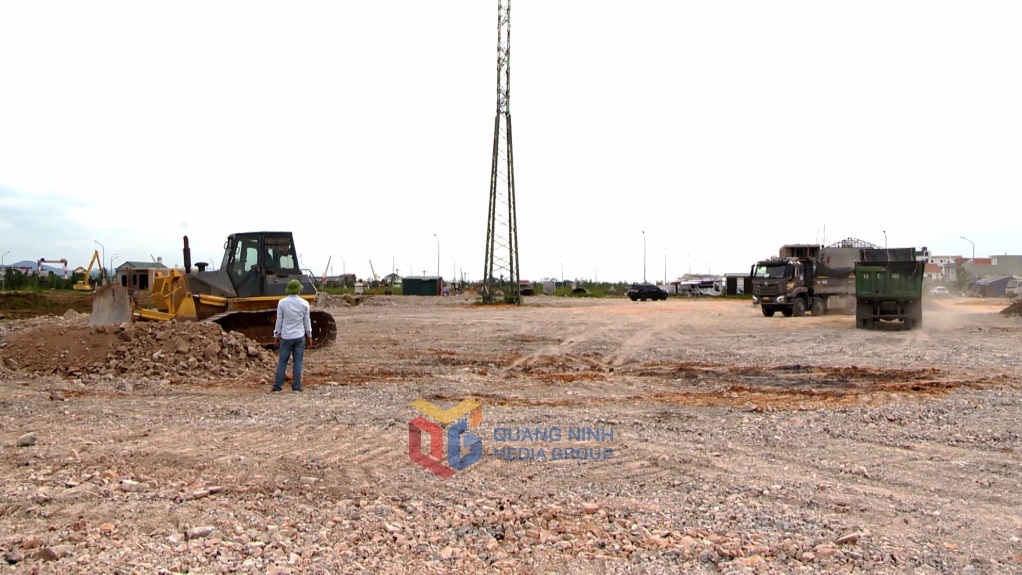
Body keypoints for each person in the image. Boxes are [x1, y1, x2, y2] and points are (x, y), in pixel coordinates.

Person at [272, 279, 312, 392]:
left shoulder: (282, 303)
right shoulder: (304, 303)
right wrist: (309, 335)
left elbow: (279, 320)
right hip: (299, 336)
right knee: (298, 362)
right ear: (299, 290)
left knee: (282, 361)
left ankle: (277, 386)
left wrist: (276, 334)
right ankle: (297, 386)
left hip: (285, 336)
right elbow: (307, 321)